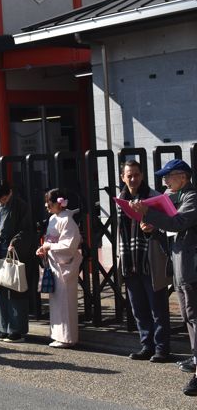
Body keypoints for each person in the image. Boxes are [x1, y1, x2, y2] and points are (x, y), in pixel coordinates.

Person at [131, 159, 197, 396]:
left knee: (194, 316)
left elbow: (179, 223)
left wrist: (150, 213)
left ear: (182, 177)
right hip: (182, 268)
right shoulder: (177, 197)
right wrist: (153, 230)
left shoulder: (191, 197)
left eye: (168, 177)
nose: (165, 182)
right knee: (189, 317)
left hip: (191, 268)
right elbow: (170, 236)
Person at [117, 161, 171, 362]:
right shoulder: (121, 199)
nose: (133, 179)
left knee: (158, 308)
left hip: (151, 260)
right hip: (130, 260)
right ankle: (146, 345)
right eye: (129, 175)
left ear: (142, 175)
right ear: (122, 177)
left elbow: (170, 225)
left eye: (136, 175)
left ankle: (162, 349)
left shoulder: (154, 197)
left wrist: (153, 226)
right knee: (138, 308)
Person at [0, 178, 34, 343]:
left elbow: (27, 229)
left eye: (3, 198)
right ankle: (3, 328)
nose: (1, 201)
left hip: (14, 253)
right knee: (1, 292)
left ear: (10, 192)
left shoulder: (21, 205)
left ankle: (17, 330)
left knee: (15, 290)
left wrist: (15, 243)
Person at [36, 189, 82, 348]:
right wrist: (44, 248)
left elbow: (69, 245)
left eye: (50, 203)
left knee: (65, 301)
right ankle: (58, 335)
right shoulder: (53, 219)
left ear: (59, 203)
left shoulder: (68, 220)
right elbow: (51, 242)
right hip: (54, 263)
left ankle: (68, 337)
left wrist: (49, 245)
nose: (47, 206)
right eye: (46, 203)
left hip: (65, 264)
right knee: (56, 301)